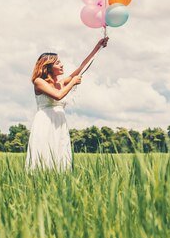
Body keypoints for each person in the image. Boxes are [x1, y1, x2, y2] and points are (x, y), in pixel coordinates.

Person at [25, 37, 109, 171]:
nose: (62, 65)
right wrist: (72, 82)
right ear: (48, 67)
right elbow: (58, 95)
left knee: (60, 155)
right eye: (58, 63)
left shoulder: (60, 83)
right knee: (44, 155)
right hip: (45, 123)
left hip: (59, 123)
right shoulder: (39, 82)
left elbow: (82, 68)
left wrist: (97, 48)